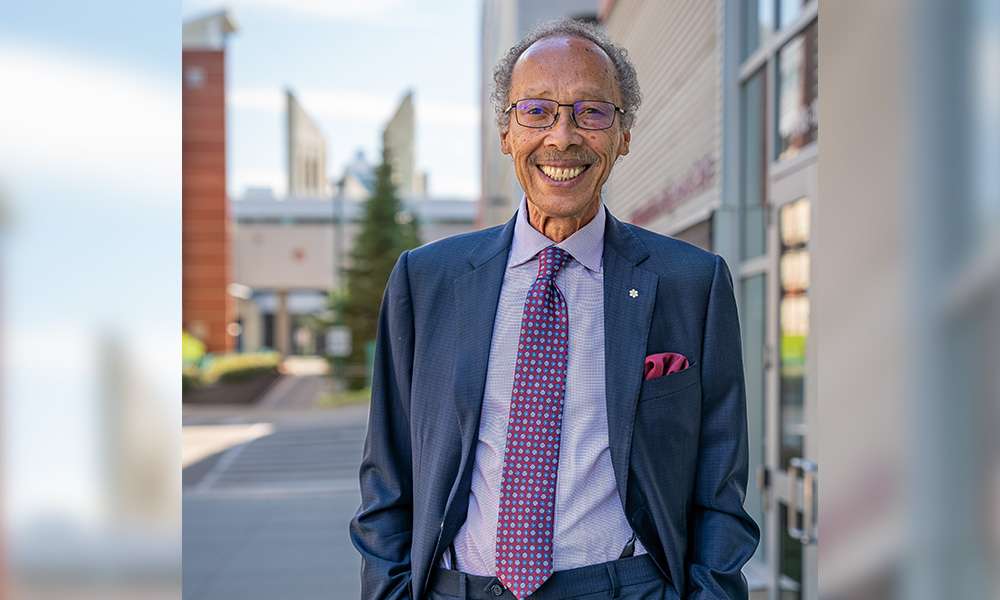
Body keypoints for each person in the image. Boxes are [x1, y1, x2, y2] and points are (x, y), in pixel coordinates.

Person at [350, 18, 759, 600]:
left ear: (623, 135)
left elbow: (721, 486)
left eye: (591, 112)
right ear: (505, 132)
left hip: (626, 587)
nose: (562, 137)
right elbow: (386, 478)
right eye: (536, 110)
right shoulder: (427, 280)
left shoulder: (693, 284)